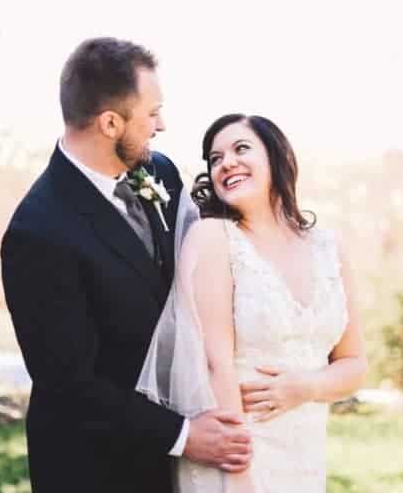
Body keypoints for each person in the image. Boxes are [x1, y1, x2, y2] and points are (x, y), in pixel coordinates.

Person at [1, 38, 252, 493]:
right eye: (152, 113)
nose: (162, 124)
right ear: (111, 122)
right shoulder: (37, 233)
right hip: (94, 469)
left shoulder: (161, 174)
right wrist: (184, 435)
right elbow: (69, 384)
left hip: (177, 461)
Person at [138, 113, 367, 492]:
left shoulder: (329, 247)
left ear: (278, 158)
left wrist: (303, 388)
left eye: (241, 148)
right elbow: (215, 365)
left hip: (305, 457)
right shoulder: (213, 237)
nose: (226, 162)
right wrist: (238, 477)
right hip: (237, 452)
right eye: (215, 158)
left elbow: (354, 364)